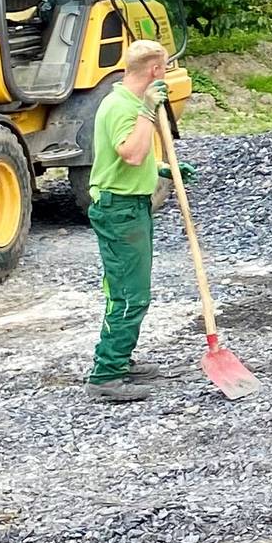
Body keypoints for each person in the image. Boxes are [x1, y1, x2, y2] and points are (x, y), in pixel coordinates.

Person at [84, 39, 180, 403]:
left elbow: (118, 161)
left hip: (129, 204)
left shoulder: (122, 101)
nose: (167, 73)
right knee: (129, 295)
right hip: (120, 211)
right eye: (165, 67)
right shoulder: (125, 107)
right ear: (155, 71)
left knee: (128, 290)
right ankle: (106, 375)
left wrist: (164, 168)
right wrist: (148, 112)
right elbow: (133, 153)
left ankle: (120, 359)